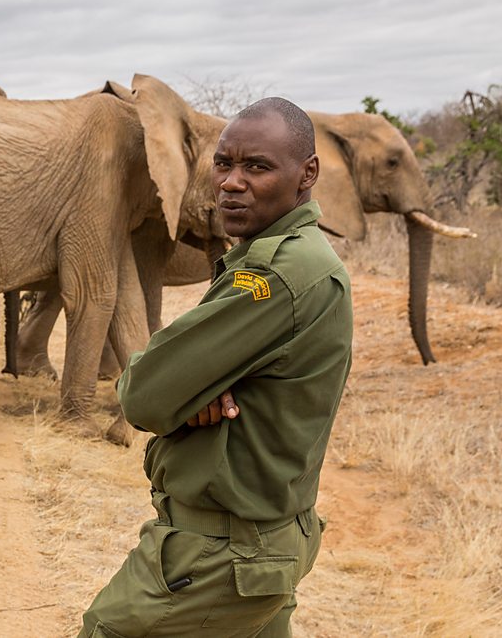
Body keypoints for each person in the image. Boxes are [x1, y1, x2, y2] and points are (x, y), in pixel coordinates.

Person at [78, 97, 353, 637]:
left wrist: (182, 388)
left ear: (308, 174)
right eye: (224, 163)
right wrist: (196, 387)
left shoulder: (277, 275)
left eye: (257, 167)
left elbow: (141, 394)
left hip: (221, 555)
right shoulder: (289, 258)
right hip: (266, 542)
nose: (230, 182)